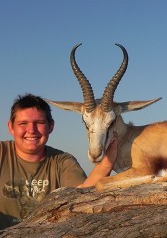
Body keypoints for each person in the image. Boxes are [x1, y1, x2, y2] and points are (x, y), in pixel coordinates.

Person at [0, 93, 117, 230]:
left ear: (51, 127)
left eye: (40, 123)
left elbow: (84, 196)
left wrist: (108, 162)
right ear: (11, 127)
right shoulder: (2, 152)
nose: (31, 130)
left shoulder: (63, 161)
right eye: (23, 123)